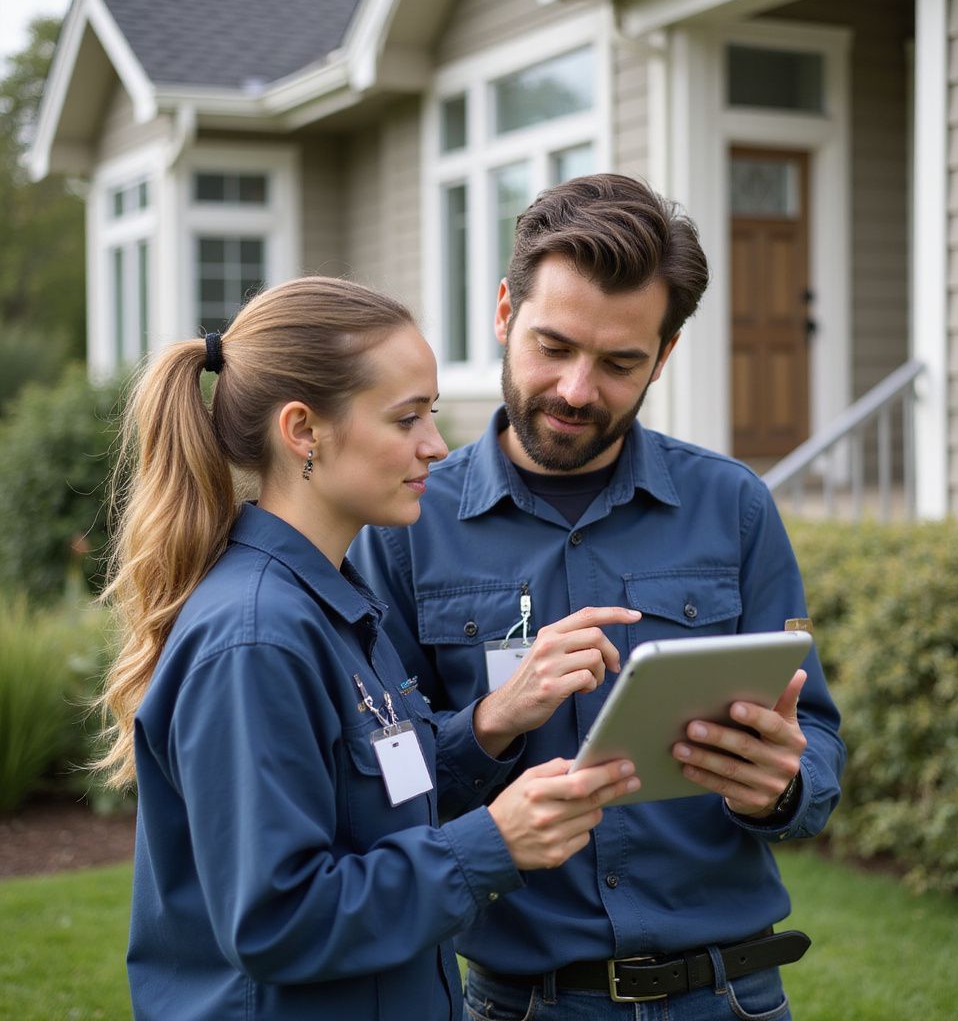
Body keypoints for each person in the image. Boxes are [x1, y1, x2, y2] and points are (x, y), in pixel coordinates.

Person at [350, 175, 846, 1020]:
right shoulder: (405, 522)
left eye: (620, 363)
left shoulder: (733, 508)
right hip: (527, 1002)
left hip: (731, 998)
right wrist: (492, 720)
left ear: (665, 354)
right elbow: (375, 780)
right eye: (554, 347)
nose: (578, 390)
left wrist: (784, 788)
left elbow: (819, 742)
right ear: (505, 313)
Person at [95, 275, 643, 1021]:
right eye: (406, 418)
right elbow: (277, 919)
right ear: (302, 432)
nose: (436, 445)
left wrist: (494, 722)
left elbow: (378, 805)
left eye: (433, 413)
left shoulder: (333, 605)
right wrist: (494, 842)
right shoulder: (256, 638)